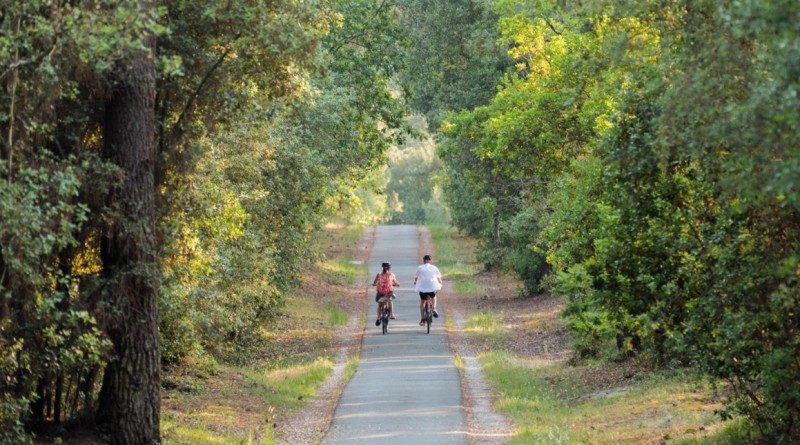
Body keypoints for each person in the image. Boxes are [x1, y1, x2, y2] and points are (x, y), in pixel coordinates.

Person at [414, 254, 442, 326]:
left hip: (423, 288)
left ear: (423, 261)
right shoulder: (434, 268)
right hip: (432, 287)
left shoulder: (420, 268)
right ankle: (434, 308)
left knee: (422, 302)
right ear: (430, 261)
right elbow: (439, 278)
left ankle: (422, 319)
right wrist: (440, 282)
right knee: (433, 296)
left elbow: (416, 277)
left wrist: (415, 281)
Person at [373, 262, 399, 326]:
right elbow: (396, 282)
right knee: (390, 300)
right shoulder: (391, 275)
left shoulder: (379, 274)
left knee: (379, 305)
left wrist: (374, 284)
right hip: (388, 293)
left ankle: (378, 317)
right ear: (389, 268)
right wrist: (397, 284)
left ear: (382, 267)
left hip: (380, 293)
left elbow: (374, 283)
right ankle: (392, 314)